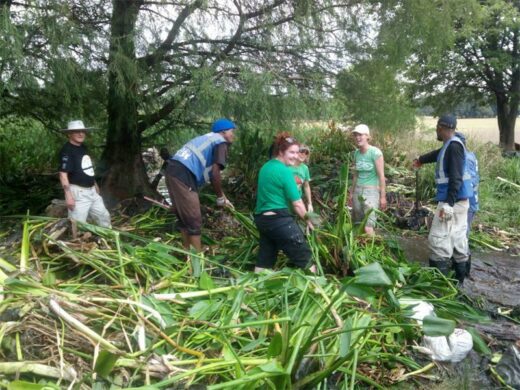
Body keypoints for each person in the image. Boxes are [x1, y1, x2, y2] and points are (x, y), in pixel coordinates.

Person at [413, 115, 473, 284]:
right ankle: (461, 282)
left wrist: (448, 204)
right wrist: (421, 160)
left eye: (436, 128)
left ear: (440, 127)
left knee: (438, 240)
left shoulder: (453, 147)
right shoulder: (452, 144)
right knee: (458, 239)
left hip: (452, 202)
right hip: (460, 202)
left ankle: (440, 286)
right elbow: (437, 154)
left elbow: (456, 178)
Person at [165, 118, 236, 252]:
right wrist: (220, 198)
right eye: (232, 131)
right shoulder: (221, 142)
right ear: (224, 132)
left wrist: (224, 197)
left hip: (172, 171)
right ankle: (197, 261)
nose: (233, 135)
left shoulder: (207, 139)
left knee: (184, 218)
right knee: (194, 219)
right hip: (184, 174)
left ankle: (187, 254)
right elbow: (215, 173)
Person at [254, 133, 315, 273]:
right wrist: (309, 221)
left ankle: (255, 288)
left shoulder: (266, 167)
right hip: (278, 219)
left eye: (297, 152)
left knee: (265, 259)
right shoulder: (285, 171)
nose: (295, 156)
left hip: (263, 219)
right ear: (281, 152)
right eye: (291, 152)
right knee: (305, 258)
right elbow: (298, 203)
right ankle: (317, 287)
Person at [58, 120, 111, 228]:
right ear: (69, 134)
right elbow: (63, 174)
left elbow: (87, 167)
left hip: (92, 191)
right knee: (78, 224)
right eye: (77, 131)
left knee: (104, 217)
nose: (81, 134)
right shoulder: (67, 151)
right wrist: (68, 195)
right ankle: (76, 243)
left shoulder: (83, 147)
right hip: (78, 192)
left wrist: (94, 184)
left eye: (82, 131)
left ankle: (108, 239)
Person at [348, 124, 387, 235]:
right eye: (355, 135)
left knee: (368, 227)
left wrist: (383, 197)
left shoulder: (375, 152)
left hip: (371, 192)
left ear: (367, 137)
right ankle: (359, 249)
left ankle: (375, 247)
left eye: (360, 135)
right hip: (358, 191)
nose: (357, 137)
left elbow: (381, 176)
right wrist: (351, 193)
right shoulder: (356, 153)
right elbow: (355, 175)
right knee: (357, 225)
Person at [290, 144, 313, 213]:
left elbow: (306, 186)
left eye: (306, 153)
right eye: (301, 151)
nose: (303, 154)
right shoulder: (287, 165)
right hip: (284, 200)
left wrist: (310, 203)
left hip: (297, 200)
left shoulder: (305, 168)